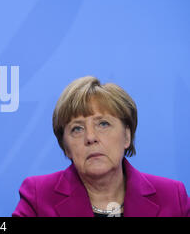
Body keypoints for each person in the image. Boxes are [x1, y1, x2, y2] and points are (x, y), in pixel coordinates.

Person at [13, 76, 190, 217]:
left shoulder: (172, 196)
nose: (90, 137)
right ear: (66, 147)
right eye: (77, 128)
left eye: (103, 124)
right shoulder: (38, 196)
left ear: (127, 136)